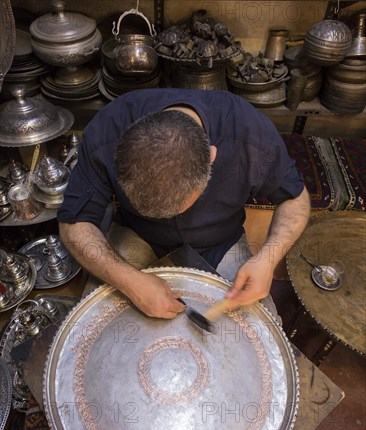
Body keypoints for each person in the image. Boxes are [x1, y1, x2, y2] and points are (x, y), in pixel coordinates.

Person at [58, 88, 310, 319]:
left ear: (211, 157)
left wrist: (268, 259)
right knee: (97, 326)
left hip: (220, 240)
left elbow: (295, 198)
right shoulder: (107, 130)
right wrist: (129, 282)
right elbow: (74, 224)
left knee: (258, 330)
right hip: (138, 233)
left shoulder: (248, 133)